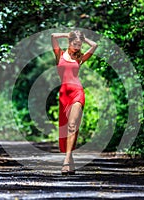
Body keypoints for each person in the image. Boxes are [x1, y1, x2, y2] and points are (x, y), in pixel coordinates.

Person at [51, 30, 97, 175]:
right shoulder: (59, 55)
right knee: (66, 128)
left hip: (77, 92)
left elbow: (94, 45)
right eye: (74, 44)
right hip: (64, 94)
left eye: (79, 45)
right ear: (69, 42)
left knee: (72, 125)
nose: (77, 47)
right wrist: (68, 34)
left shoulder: (80, 58)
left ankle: (67, 159)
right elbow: (53, 36)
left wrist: (83, 38)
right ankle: (70, 159)